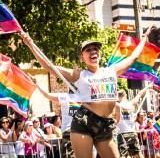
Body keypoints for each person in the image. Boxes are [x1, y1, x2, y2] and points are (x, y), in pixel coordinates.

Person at [21, 26, 153, 158]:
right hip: (84, 122)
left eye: (95, 49)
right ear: (82, 58)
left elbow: (134, 56)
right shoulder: (79, 75)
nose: (93, 52)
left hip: (105, 124)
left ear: (99, 53)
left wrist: (144, 37)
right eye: (88, 50)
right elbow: (49, 67)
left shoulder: (112, 70)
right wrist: (30, 45)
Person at [115, 82, 153, 158]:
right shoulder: (131, 103)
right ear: (125, 95)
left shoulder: (117, 105)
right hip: (132, 133)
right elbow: (140, 94)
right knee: (138, 154)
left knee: (124, 156)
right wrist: (148, 86)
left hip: (121, 134)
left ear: (119, 97)